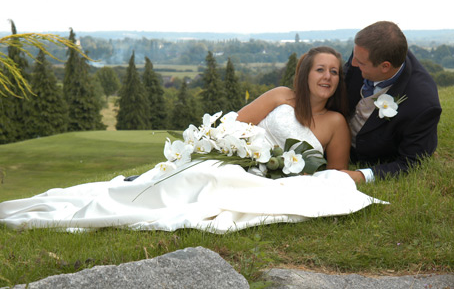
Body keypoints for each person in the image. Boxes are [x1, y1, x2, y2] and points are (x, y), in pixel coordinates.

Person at [0, 47, 386, 234]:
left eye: (334, 72)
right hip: (239, 158)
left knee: (218, 184)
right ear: (305, 73)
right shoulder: (280, 95)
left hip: (273, 178)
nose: (328, 76)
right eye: (320, 69)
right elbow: (235, 125)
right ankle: (137, 193)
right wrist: (229, 150)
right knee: (203, 172)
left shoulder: (335, 121)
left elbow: (333, 174)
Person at [343, 21, 442, 183]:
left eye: (360, 64)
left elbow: (411, 162)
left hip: (370, 156)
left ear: (385, 67)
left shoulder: (423, 105)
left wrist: (361, 175)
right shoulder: (364, 53)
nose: (353, 64)